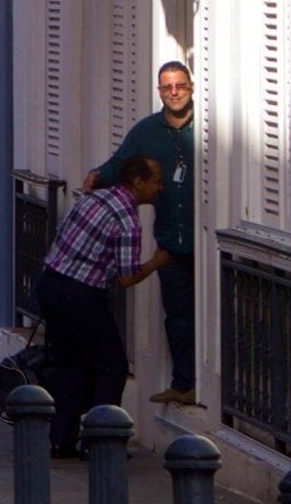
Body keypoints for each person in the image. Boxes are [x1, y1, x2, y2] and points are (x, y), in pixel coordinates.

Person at [88, 60, 202, 405]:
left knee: (212, 317)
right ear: (159, 91)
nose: (174, 92)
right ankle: (184, 383)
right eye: (167, 87)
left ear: (191, 87)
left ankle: (209, 384)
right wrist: (97, 177)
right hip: (170, 242)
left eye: (180, 85)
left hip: (206, 242)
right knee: (179, 318)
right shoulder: (147, 131)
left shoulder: (205, 126)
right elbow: (121, 164)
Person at [36, 154, 167, 449]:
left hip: (49, 283)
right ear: (138, 182)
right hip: (81, 295)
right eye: (156, 182)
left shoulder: (94, 198)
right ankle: (101, 441)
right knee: (112, 367)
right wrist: (159, 261)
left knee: (71, 364)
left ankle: (61, 440)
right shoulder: (128, 220)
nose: (160, 188)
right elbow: (126, 277)